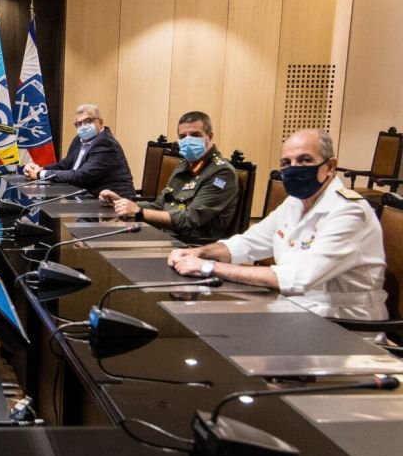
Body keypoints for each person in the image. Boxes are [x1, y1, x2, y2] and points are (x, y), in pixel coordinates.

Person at [168, 129, 387, 321]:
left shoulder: (349, 211)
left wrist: (209, 267)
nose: (294, 168)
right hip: (294, 311)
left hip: (343, 327)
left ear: (330, 167)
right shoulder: (295, 203)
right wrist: (198, 252)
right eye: (286, 163)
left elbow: (297, 278)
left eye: (304, 160)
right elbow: (248, 243)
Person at [99, 110, 238, 243]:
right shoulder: (185, 165)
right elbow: (160, 205)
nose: (188, 140)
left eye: (195, 135)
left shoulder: (222, 173)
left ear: (210, 136)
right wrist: (122, 203)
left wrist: (139, 212)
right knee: (104, 237)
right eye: (183, 137)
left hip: (193, 245)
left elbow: (190, 219)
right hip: (167, 236)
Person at [23, 103, 135, 198]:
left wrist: (40, 174)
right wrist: (39, 169)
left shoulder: (105, 143)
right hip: (86, 197)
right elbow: (65, 165)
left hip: (114, 202)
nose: (83, 126)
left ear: (100, 122)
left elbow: (82, 176)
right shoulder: (79, 140)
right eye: (79, 124)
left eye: (88, 121)